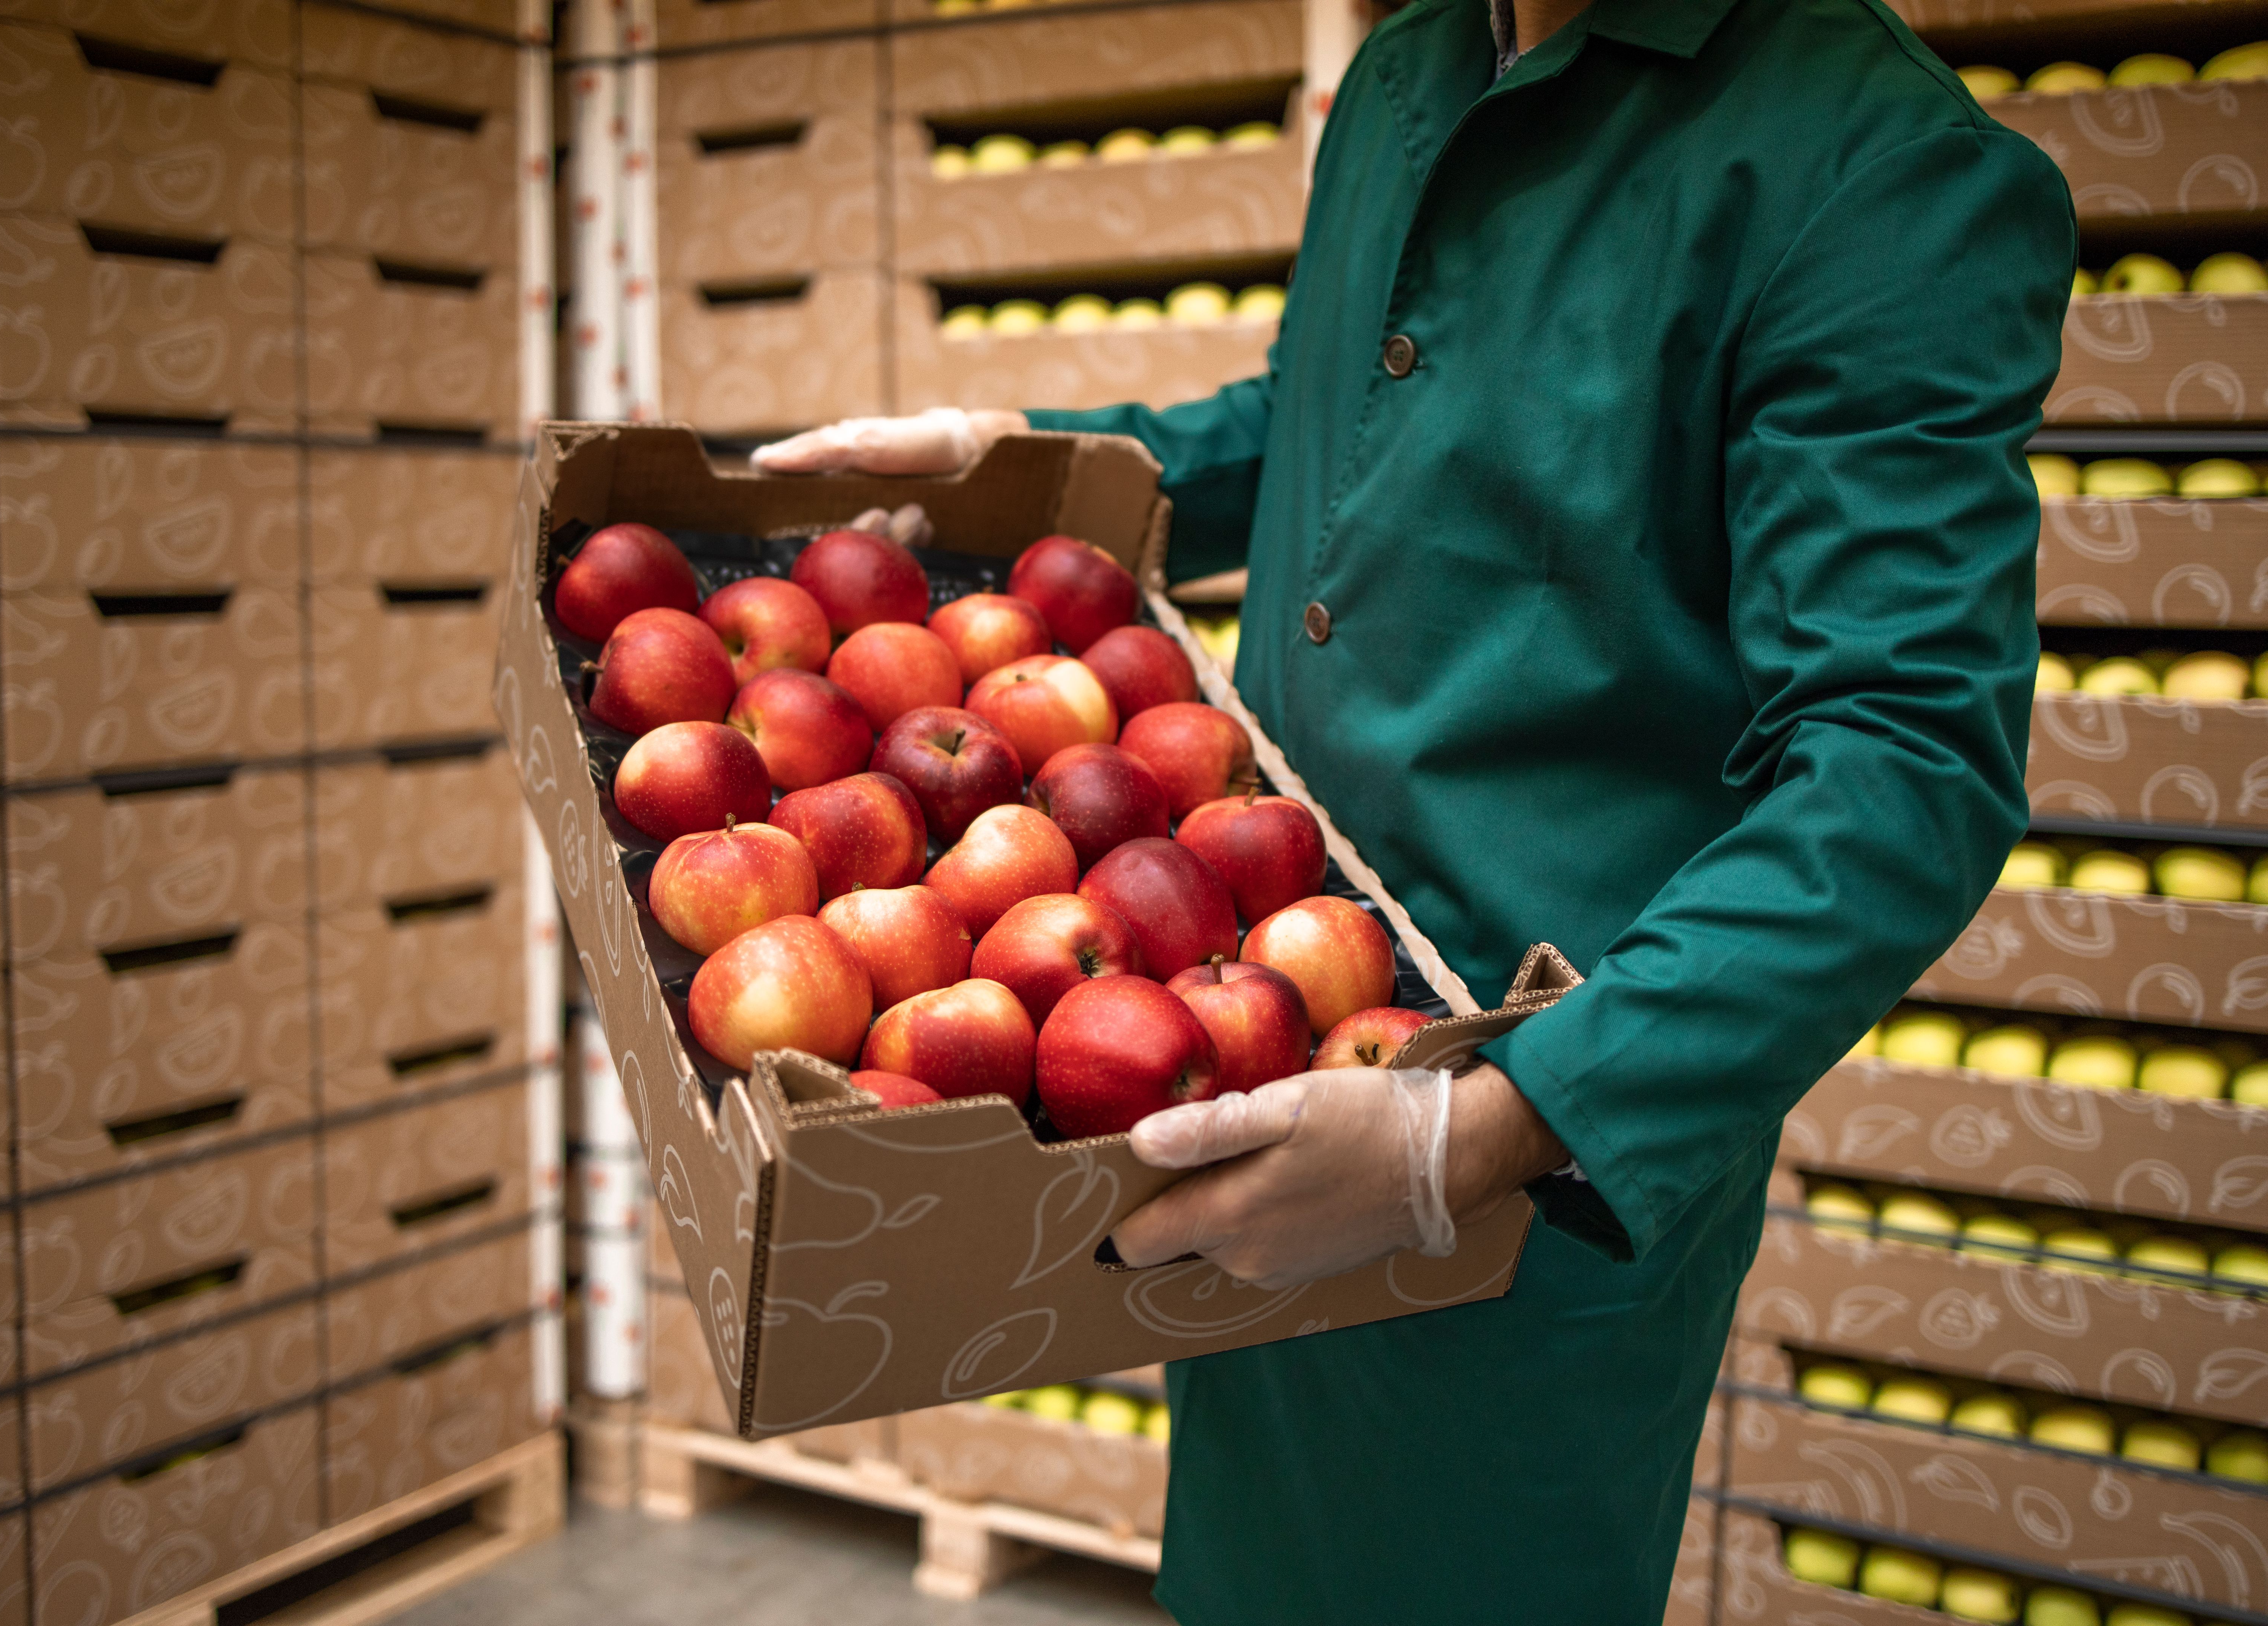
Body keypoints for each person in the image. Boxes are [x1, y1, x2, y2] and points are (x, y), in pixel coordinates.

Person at [752, 0, 2073, 1615]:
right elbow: (1351, 404)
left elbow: (1906, 762)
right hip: (1248, 1030)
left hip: (1524, 1153)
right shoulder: (1412, 67)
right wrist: (1051, 462)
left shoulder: (1880, 171)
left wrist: (1483, 1132)